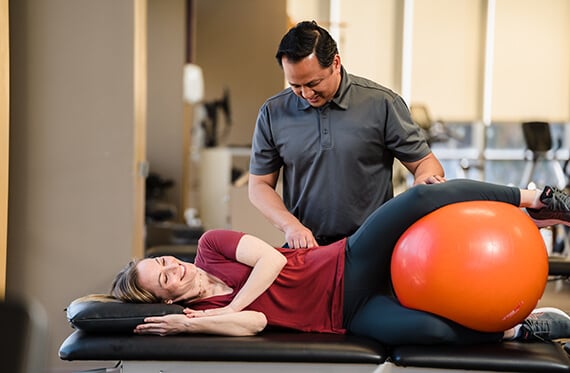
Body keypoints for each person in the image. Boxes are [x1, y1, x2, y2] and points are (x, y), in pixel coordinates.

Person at [112, 179, 570, 345]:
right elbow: (253, 324)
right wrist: (193, 324)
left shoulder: (211, 245)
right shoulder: (202, 316)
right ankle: (521, 328)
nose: (177, 269)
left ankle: (538, 198)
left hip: (345, 261)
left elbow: (270, 260)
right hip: (345, 316)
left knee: (423, 198)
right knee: (432, 334)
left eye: (168, 261)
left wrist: (229, 307)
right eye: (165, 279)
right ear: (163, 299)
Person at [248, 20, 446, 249]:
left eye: (314, 83)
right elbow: (259, 185)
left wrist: (422, 180)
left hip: (372, 247)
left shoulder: (382, 104)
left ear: (336, 63)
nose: (306, 93)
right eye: (296, 85)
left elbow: (426, 163)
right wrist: (290, 226)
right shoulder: (273, 112)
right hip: (307, 249)